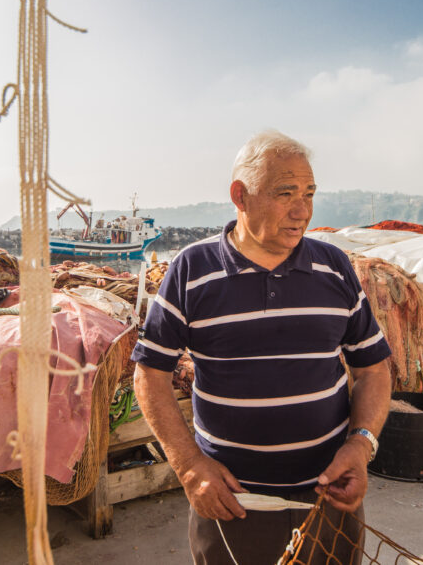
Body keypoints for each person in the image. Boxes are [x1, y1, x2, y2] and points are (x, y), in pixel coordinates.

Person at [132, 130, 393, 564]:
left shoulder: (334, 267)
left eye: (309, 194)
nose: (302, 210)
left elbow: (373, 369)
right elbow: (149, 374)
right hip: (232, 506)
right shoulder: (192, 270)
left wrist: (361, 444)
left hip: (329, 500)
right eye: (285, 193)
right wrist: (190, 467)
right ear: (240, 195)